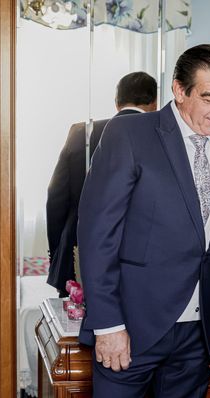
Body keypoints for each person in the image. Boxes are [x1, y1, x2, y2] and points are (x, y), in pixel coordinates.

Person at [76, 44, 210, 398]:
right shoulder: (130, 136)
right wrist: (108, 325)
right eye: (209, 98)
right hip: (130, 327)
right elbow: (98, 237)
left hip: (198, 334)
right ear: (178, 90)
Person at [46, 71, 158, 296]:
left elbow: (55, 198)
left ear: (117, 103)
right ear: (155, 103)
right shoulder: (160, 137)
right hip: (145, 263)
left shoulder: (82, 133)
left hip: (79, 252)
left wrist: (60, 251)